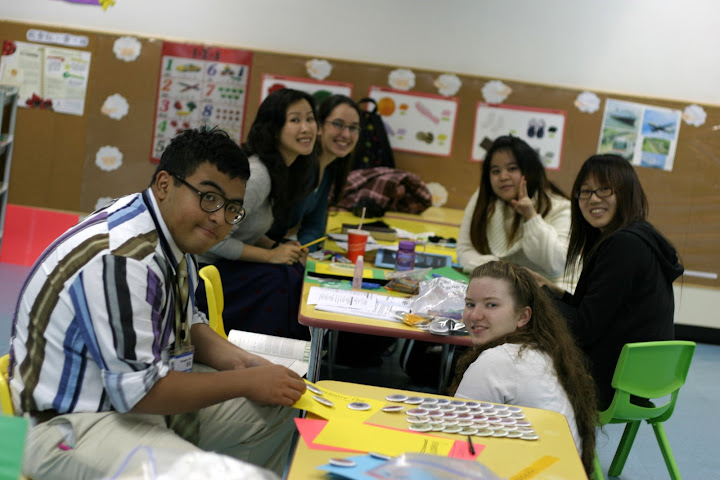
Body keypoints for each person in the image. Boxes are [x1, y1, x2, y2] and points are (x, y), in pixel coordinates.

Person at [8, 127, 306, 480]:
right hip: (69, 426)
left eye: (232, 209)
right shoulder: (123, 258)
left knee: (277, 409)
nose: (218, 217)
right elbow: (140, 393)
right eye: (209, 197)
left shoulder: (171, 233)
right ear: (165, 184)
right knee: (218, 471)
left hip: (129, 400)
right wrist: (246, 381)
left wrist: (246, 364)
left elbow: (189, 322)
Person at [531, 154, 683, 410]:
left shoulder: (624, 245)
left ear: (626, 192)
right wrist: (555, 292)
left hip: (609, 382)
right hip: (638, 379)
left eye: (604, 189)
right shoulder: (640, 237)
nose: (593, 199)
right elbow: (597, 315)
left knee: (509, 361)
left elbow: (583, 329)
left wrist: (539, 294)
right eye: (585, 191)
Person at [449, 261, 597, 474]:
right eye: (470, 304)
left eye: (491, 305)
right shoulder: (542, 349)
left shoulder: (496, 361)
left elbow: (455, 442)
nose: (475, 315)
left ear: (522, 316)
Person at [198, 89, 318, 340]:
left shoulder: (285, 170)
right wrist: (271, 256)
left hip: (225, 266)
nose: (306, 128)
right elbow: (215, 239)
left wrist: (278, 247)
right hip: (202, 272)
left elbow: (245, 230)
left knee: (293, 270)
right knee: (281, 278)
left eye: (310, 119)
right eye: (295, 120)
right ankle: (265, 351)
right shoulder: (258, 176)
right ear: (273, 129)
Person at [457, 135, 572, 289]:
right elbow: (465, 249)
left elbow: (557, 264)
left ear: (529, 170)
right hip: (498, 287)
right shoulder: (484, 199)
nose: (503, 177)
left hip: (548, 291)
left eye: (512, 168)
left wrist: (531, 217)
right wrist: (498, 270)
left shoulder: (560, 207)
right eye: (495, 171)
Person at [268, 94, 360, 251]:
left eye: (353, 128)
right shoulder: (298, 165)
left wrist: (304, 250)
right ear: (319, 126)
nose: (346, 134)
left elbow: (315, 225)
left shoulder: (329, 170)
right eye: (338, 124)